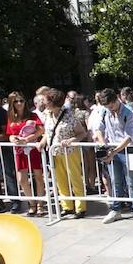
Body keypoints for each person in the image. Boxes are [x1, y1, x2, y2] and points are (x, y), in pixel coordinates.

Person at [93, 88, 133, 224]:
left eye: (111, 106)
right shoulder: (104, 111)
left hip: (128, 150)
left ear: (116, 99)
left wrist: (114, 151)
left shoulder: (129, 113)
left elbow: (129, 137)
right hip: (112, 149)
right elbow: (98, 129)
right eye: (107, 107)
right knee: (115, 181)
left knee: (131, 181)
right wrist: (104, 146)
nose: (110, 109)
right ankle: (116, 209)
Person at [40, 88, 88, 219]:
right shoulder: (47, 115)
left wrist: (71, 140)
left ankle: (80, 207)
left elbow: (82, 133)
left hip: (70, 152)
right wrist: (42, 142)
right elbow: (48, 132)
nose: (43, 103)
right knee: (60, 180)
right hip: (54, 152)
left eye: (45, 100)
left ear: (52, 101)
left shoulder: (69, 115)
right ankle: (66, 206)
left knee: (75, 178)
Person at [6, 93, 46, 216]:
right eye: (16, 101)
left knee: (38, 176)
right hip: (19, 151)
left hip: (32, 148)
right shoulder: (11, 117)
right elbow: (9, 134)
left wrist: (27, 139)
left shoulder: (32, 115)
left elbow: (41, 131)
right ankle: (31, 203)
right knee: (22, 179)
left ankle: (40, 204)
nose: (19, 103)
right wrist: (12, 138)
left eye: (21, 100)